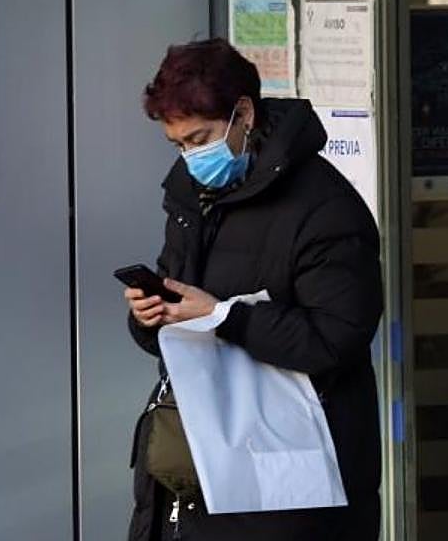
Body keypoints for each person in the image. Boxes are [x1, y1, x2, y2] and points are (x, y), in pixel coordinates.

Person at [125, 38, 383, 541]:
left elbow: (337, 339)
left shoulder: (325, 209)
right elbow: (173, 325)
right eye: (178, 145)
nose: (191, 157)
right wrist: (150, 314)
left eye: (200, 139)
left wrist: (225, 317)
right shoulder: (190, 199)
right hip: (194, 467)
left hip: (289, 479)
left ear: (244, 114)